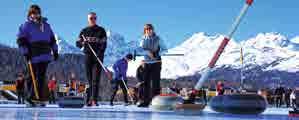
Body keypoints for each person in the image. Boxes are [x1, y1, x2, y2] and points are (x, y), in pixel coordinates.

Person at [16, 4, 58, 106]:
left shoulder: (46, 25)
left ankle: (39, 98)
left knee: (41, 77)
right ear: (30, 14)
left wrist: (55, 51)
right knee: (32, 77)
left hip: (45, 54)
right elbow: (21, 40)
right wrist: (25, 52)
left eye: (37, 13)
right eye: (33, 13)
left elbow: (52, 39)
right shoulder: (26, 25)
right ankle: (30, 98)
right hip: (33, 54)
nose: (36, 15)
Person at [76, 12, 107, 106]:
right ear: (88, 19)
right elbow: (77, 44)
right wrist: (83, 43)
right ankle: (89, 99)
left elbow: (104, 44)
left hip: (98, 57)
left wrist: (99, 53)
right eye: (91, 18)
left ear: (96, 19)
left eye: (94, 18)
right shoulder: (84, 31)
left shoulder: (101, 30)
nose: (93, 20)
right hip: (88, 56)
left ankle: (94, 99)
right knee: (89, 79)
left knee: (96, 79)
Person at [137, 24, 167, 107]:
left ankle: (156, 101)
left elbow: (165, 50)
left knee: (155, 83)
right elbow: (139, 50)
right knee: (145, 83)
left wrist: (157, 53)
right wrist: (147, 52)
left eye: (150, 29)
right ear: (144, 31)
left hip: (156, 63)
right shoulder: (143, 39)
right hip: (147, 63)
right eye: (146, 29)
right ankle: (145, 101)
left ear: (153, 30)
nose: (148, 31)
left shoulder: (158, 39)